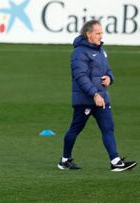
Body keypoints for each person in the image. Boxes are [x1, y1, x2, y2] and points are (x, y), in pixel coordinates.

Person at [57, 20, 137, 172]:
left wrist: (109, 78)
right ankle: (64, 160)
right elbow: (80, 76)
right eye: (98, 33)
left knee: (108, 128)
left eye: (102, 32)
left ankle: (115, 162)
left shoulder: (101, 51)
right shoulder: (79, 53)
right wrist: (94, 94)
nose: (101, 35)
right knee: (75, 129)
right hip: (85, 99)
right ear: (88, 34)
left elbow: (107, 70)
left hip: (102, 98)